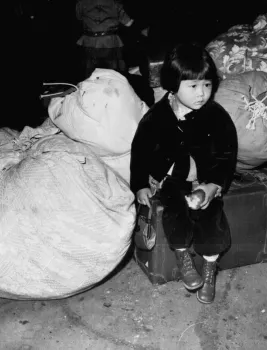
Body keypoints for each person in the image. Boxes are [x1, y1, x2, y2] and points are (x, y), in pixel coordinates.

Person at [130, 43, 238, 304]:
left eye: (207, 85)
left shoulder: (216, 115)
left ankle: (210, 266)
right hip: (173, 177)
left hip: (205, 178)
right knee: (175, 209)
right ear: (172, 85)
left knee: (211, 214)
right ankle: (182, 257)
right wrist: (140, 184)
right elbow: (140, 150)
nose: (202, 94)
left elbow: (227, 153)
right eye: (193, 86)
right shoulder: (158, 115)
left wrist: (214, 185)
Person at [75, 0, 147, 79]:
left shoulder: (81, 3)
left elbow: (79, 18)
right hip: (110, 43)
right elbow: (128, 23)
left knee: (90, 75)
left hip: (89, 42)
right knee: (113, 74)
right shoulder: (115, 3)